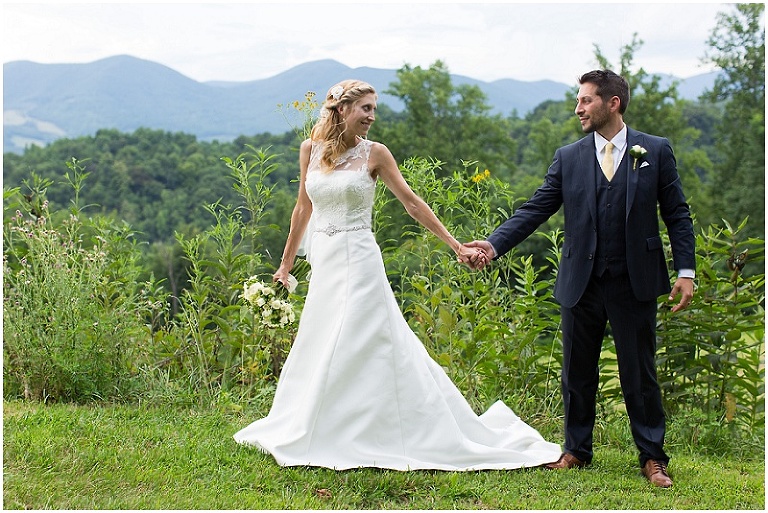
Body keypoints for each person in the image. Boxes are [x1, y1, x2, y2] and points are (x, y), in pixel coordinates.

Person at [233, 80, 562, 471]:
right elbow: (302, 208)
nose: (372, 116)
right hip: (326, 262)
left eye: (375, 109)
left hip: (359, 259)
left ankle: (375, 429)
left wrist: (456, 246)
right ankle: (326, 423)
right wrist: (286, 264)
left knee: (357, 337)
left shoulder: (376, 154)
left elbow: (411, 203)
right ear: (341, 109)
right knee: (322, 338)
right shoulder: (311, 150)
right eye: (366, 109)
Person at [466, 70, 695, 488]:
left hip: (634, 280)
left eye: (586, 100)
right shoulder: (568, 157)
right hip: (581, 280)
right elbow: (535, 209)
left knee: (639, 373)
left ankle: (652, 457)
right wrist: (494, 245)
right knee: (576, 372)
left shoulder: (655, 151)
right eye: (578, 100)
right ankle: (576, 450)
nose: (578, 108)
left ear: (613, 104)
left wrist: (685, 271)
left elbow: (677, 214)